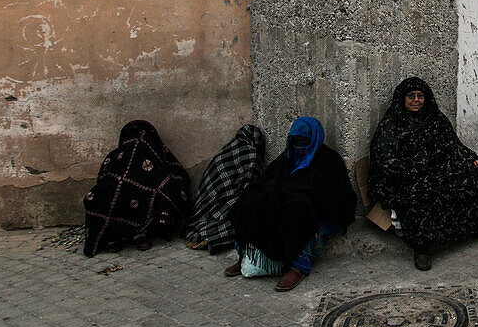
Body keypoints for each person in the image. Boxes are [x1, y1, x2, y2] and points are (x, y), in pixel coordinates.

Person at [368, 77, 478, 271]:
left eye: (420, 96)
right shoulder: (392, 125)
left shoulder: (434, 118)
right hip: (406, 176)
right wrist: (416, 170)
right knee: (422, 191)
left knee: (473, 175)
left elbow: (453, 144)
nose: (416, 100)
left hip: (437, 169)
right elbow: (385, 160)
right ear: (402, 99)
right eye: (411, 96)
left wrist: (470, 158)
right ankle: (422, 248)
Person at [226, 117, 355, 292]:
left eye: (304, 142)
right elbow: (270, 181)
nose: (299, 146)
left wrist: (296, 194)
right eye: (295, 141)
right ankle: (245, 254)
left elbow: (331, 197)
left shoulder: (329, 160)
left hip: (321, 212)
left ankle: (298, 266)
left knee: (300, 209)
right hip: (289, 201)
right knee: (250, 202)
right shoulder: (287, 157)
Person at [83, 120, 192, 257]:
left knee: (161, 192)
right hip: (120, 202)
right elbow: (103, 179)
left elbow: (177, 179)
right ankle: (114, 235)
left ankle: (139, 233)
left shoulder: (156, 157)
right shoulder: (116, 157)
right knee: (106, 194)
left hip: (144, 203)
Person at [183, 124, 266, 253]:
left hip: (204, 207)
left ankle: (205, 231)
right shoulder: (252, 157)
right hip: (223, 203)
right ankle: (211, 237)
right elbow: (248, 189)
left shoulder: (225, 151)